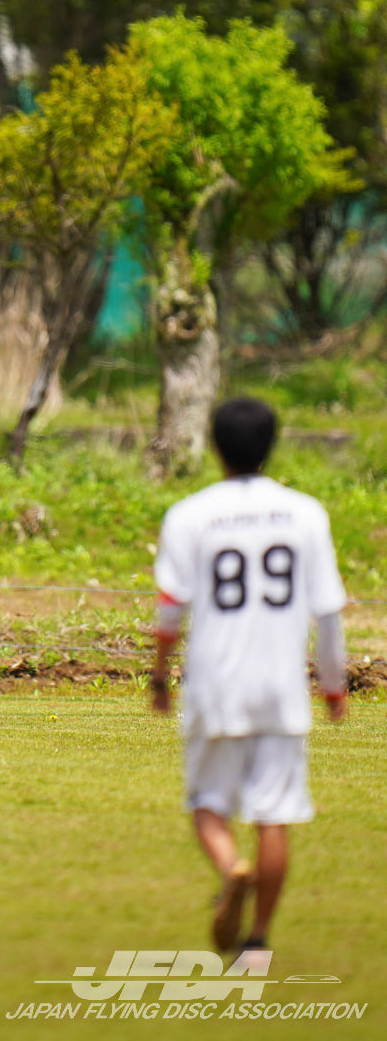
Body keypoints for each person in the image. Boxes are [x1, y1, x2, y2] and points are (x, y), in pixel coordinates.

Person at [151, 398, 348, 956]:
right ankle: (257, 942)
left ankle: (230, 867)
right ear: (272, 445)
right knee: (274, 816)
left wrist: (160, 678)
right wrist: (334, 686)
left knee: (207, 804)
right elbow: (328, 612)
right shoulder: (306, 514)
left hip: (216, 686)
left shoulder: (190, 514)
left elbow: (169, 612)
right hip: (281, 689)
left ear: (215, 447)